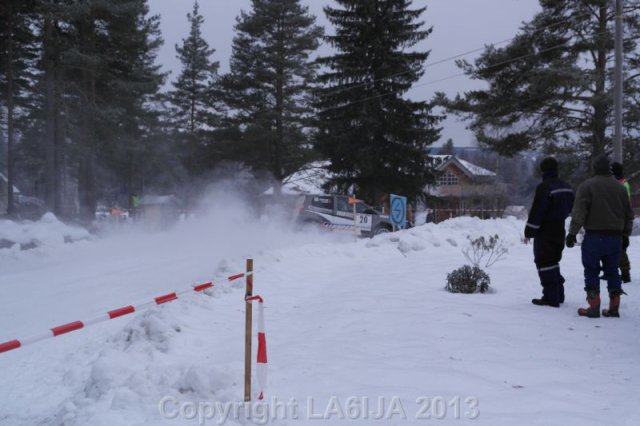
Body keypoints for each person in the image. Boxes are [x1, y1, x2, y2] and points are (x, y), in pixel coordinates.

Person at [566, 156, 634, 318]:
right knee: (612, 271)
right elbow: (628, 214)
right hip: (615, 238)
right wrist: (625, 234)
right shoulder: (620, 188)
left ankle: (594, 306)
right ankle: (614, 307)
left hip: (594, 237)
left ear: (594, 168)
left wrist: (572, 233)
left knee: (591, 271)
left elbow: (579, 212)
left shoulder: (587, 186)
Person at [524, 157, 575, 308]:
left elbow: (537, 211)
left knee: (544, 262)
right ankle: (559, 294)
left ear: (543, 170)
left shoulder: (544, 187)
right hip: (560, 228)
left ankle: (551, 297)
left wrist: (529, 231)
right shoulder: (567, 187)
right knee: (553, 261)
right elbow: (570, 206)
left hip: (544, 231)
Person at [611, 162, 631, 283]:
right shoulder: (621, 182)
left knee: (620, 247)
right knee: (613, 246)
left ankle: (625, 273)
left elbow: (624, 204)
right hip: (618, 218)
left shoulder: (621, 184)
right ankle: (613, 270)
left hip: (620, 219)